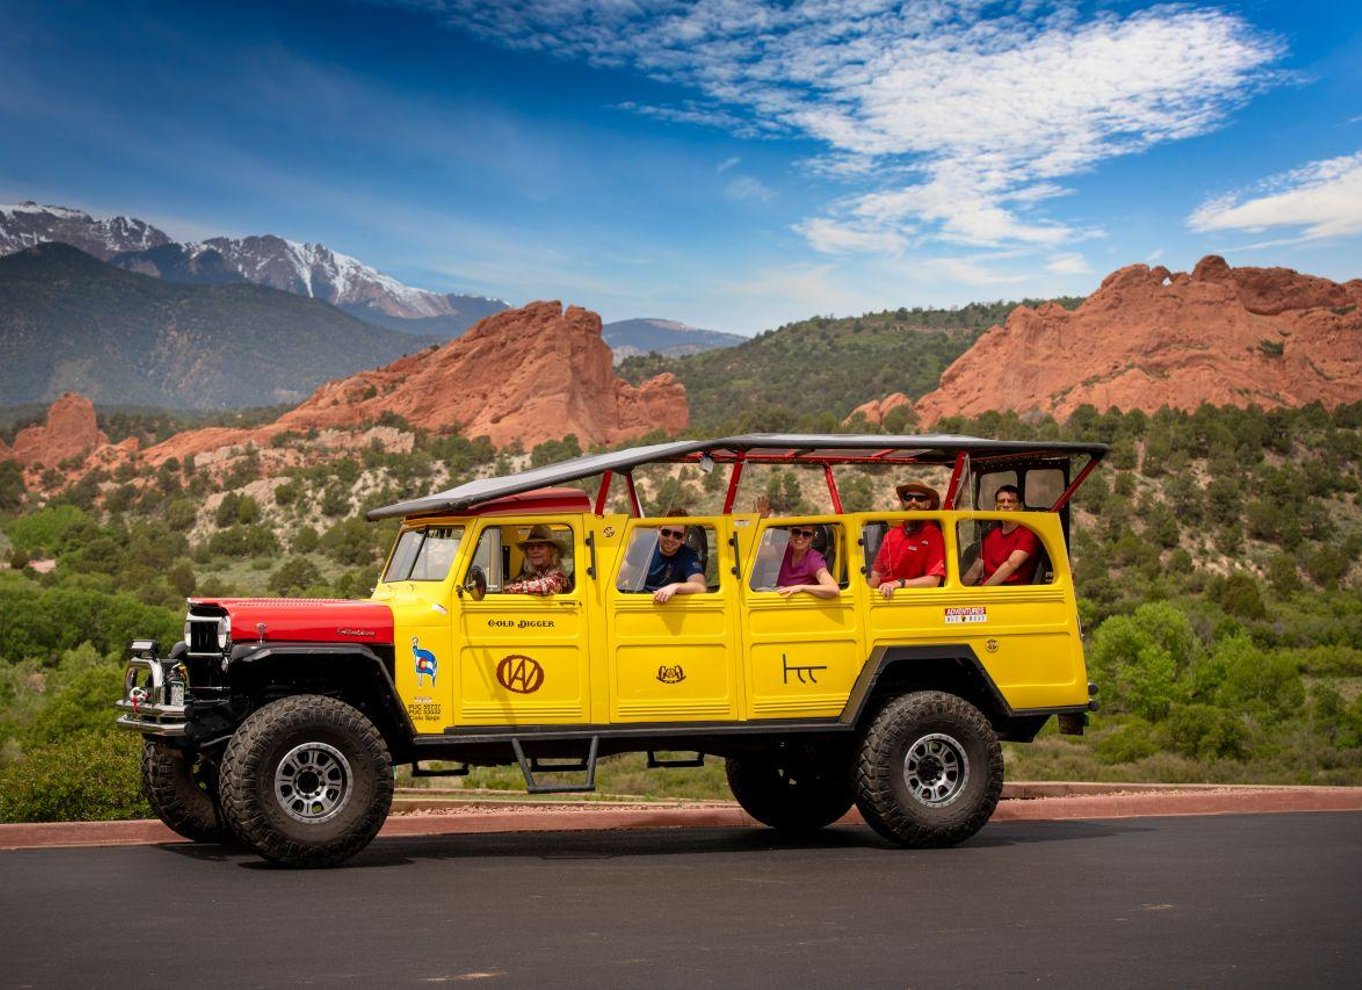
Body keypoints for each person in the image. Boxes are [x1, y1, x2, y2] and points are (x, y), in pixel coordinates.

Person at [869, 481, 945, 598]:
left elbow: (933, 581)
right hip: (886, 597)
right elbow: (877, 571)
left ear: (928, 504)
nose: (913, 501)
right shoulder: (890, 535)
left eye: (920, 498)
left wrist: (899, 583)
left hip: (915, 600)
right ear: (904, 502)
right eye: (909, 497)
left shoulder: (933, 534)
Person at [963, 485, 1040, 586]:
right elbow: (977, 567)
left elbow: (1011, 564)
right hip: (987, 592)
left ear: (1020, 507)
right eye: (1001, 501)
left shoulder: (1027, 534)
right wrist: (960, 590)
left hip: (1010, 592)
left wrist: (983, 591)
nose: (1006, 505)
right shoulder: (992, 535)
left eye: (1011, 501)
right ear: (996, 507)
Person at [621, 521, 707, 604]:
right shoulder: (644, 544)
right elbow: (621, 575)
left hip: (670, 603)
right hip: (640, 600)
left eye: (677, 535)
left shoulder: (688, 555)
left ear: (683, 538)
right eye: (666, 532)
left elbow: (700, 587)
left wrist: (675, 587)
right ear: (659, 530)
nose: (670, 538)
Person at [502, 525, 571, 596]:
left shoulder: (558, 575)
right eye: (531, 547)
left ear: (551, 551)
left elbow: (547, 586)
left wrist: (511, 588)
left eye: (540, 546)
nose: (535, 550)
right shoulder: (526, 576)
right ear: (527, 553)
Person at [775, 525, 839, 598]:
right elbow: (760, 552)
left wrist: (802, 588)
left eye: (806, 534)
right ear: (790, 534)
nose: (800, 537)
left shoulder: (813, 559)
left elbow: (833, 589)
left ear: (812, 538)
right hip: (778, 597)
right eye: (796, 532)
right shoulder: (784, 549)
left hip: (799, 604)